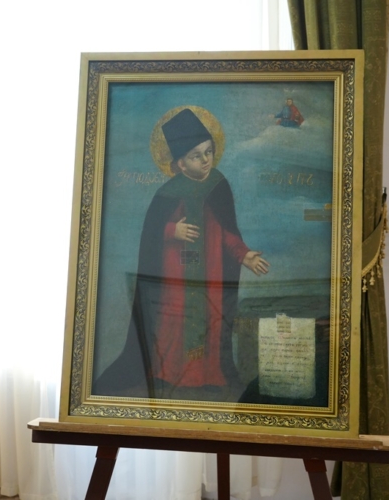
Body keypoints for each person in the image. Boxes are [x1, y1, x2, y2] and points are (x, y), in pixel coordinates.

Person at [93, 108, 269, 400]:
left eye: (208, 152)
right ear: (180, 164)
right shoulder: (167, 194)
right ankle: (170, 375)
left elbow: (227, 232)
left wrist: (244, 255)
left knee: (211, 324)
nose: (206, 159)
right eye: (196, 156)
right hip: (175, 278)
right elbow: (151, 233)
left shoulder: (218, 186)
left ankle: (209, 376)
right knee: (174, 326)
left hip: (210, 276)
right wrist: (172, 230)